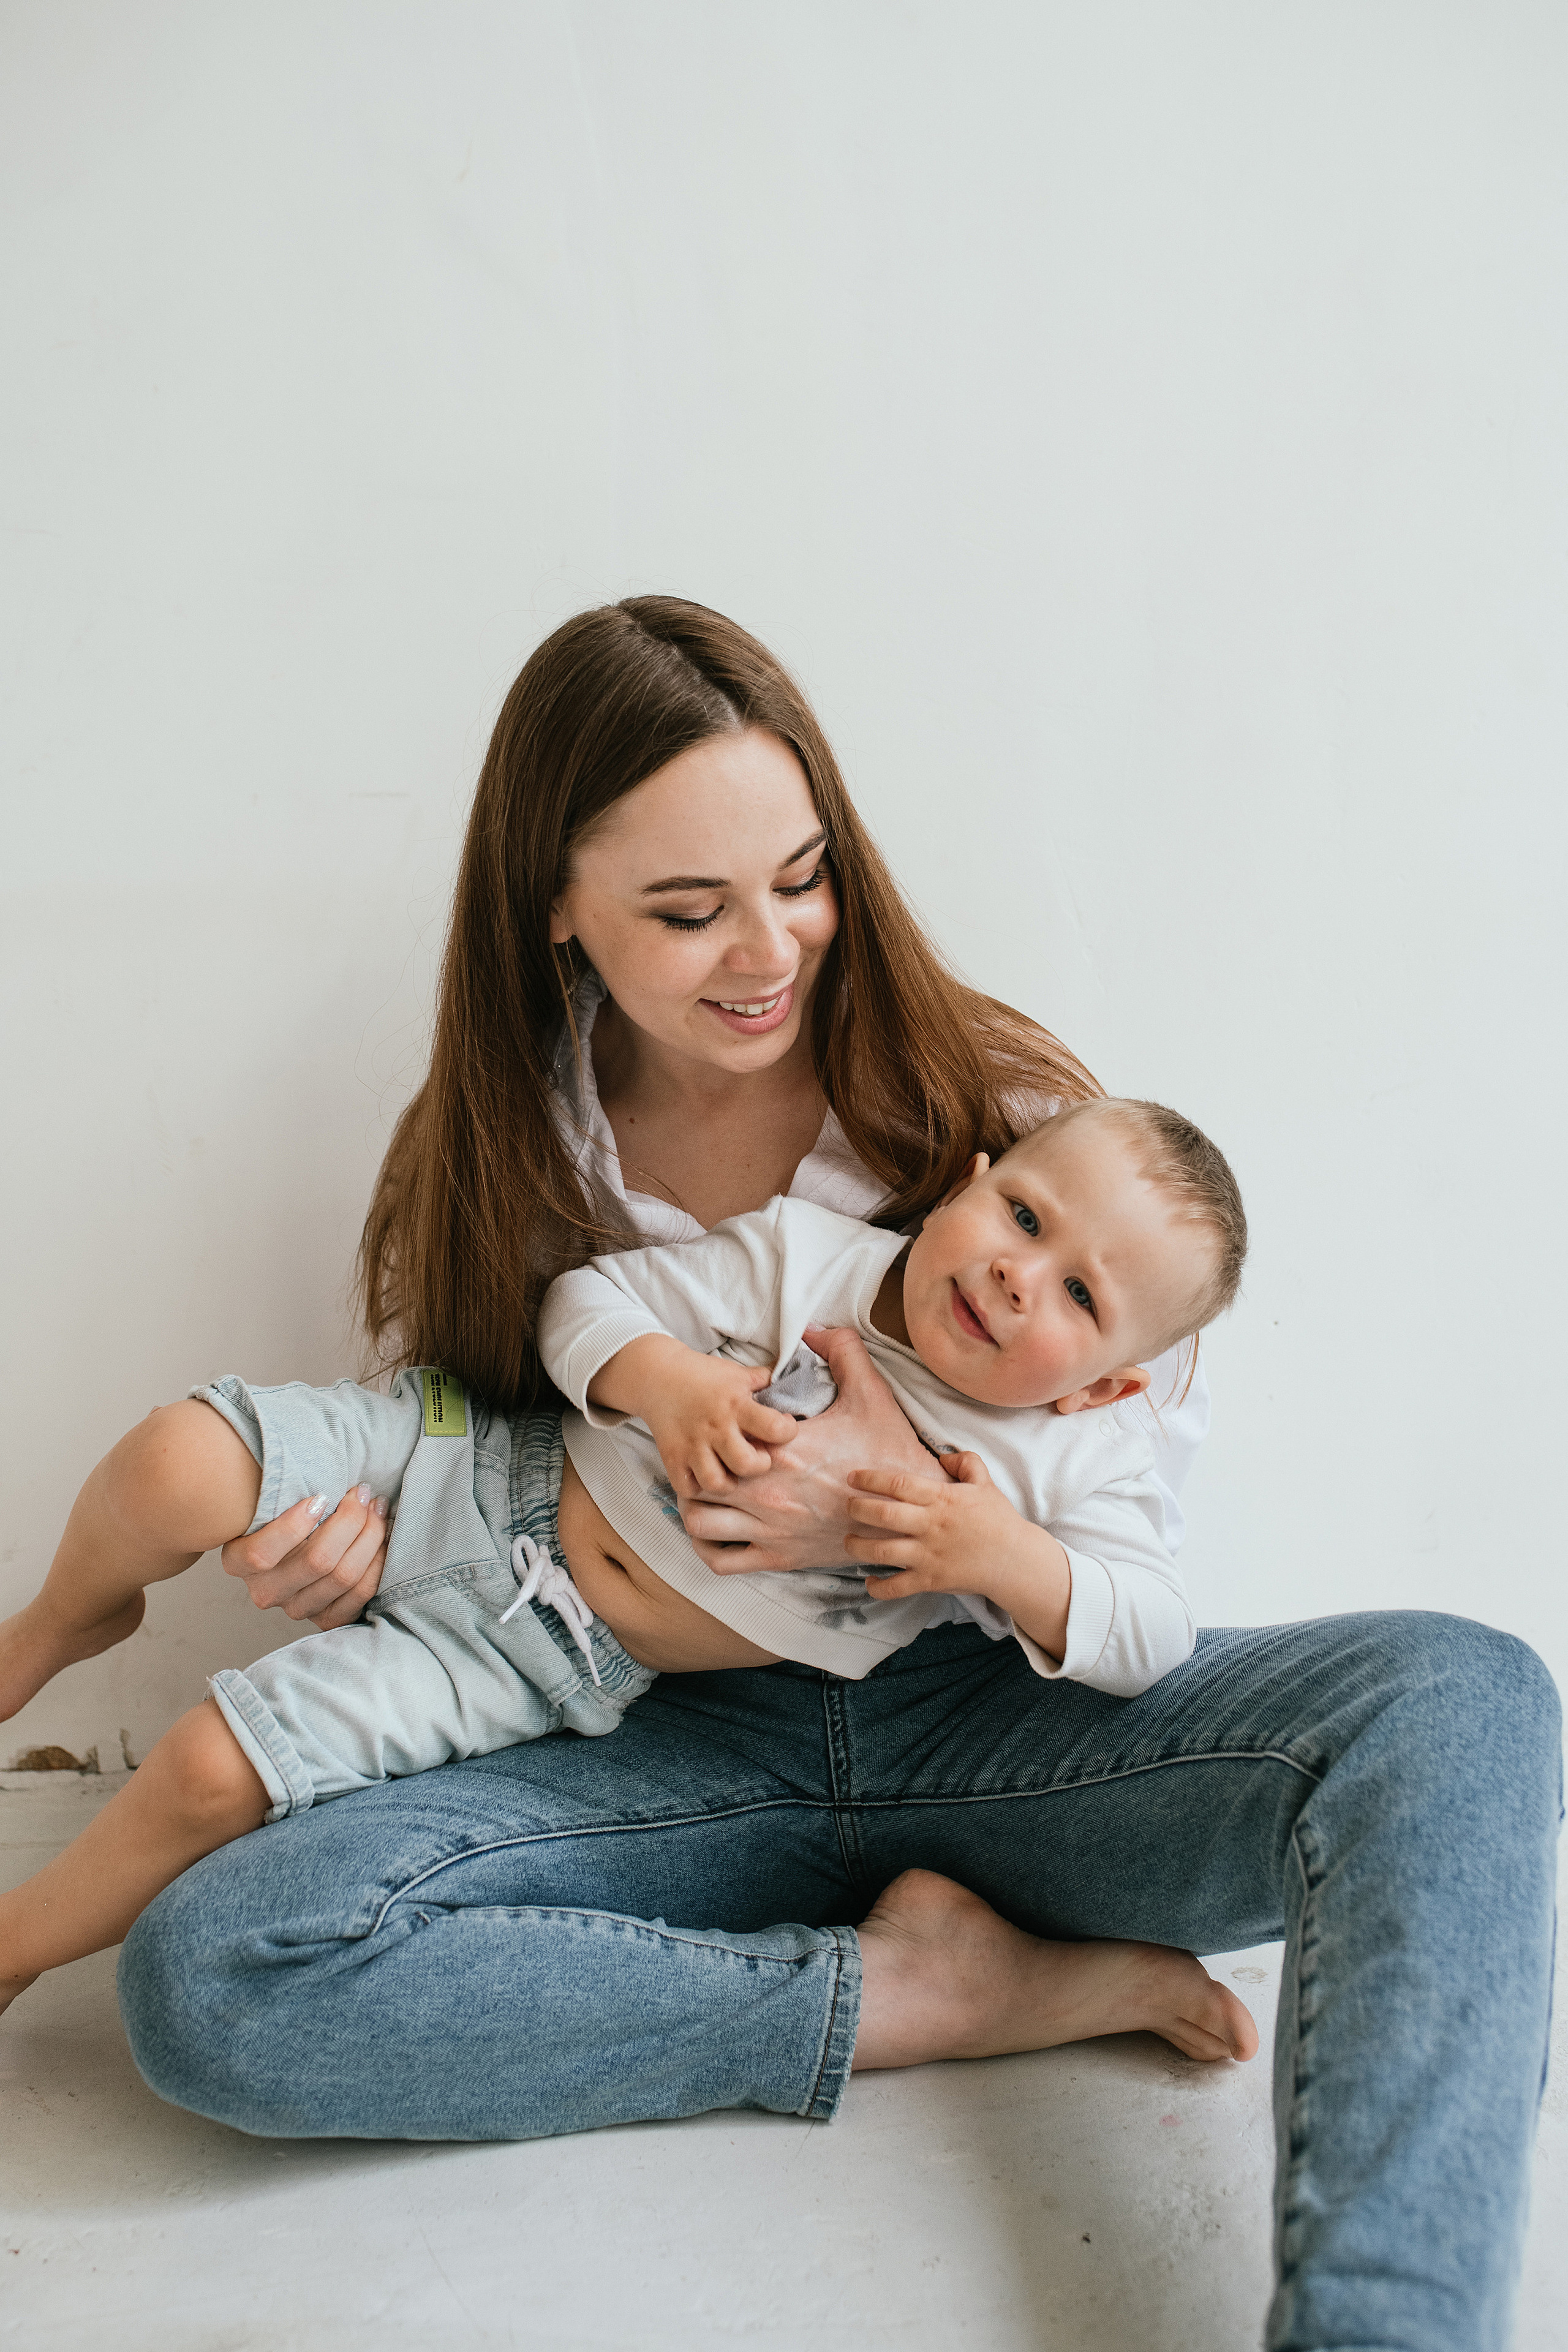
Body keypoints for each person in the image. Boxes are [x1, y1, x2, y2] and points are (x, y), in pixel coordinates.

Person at [18, 598, 1558, 2352]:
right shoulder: (507, 1147)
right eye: (690, 909)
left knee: (1467, 1696)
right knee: (214, 1973)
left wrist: (928, 1524)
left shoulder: (1003, 1119)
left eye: (803, 879)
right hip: (631, 1724)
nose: (767, 951)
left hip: (982, 1724)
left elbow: (1127, 1513)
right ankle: (906, 1994)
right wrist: (344, 1548)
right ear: (557, 909)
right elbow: (480, 1435)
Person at [0, 1099, 1251, 2008]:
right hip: (471, 1460)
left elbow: (1153, 1635)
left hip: (528, 1659)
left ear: (1107, 1388)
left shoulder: (1063, 1466)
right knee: (178, 1460)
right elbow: (584, 1304)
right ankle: (59, 1623)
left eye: (1080, 1296)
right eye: (1021, 1215)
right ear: (969, 1183)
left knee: (214, 1770)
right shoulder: (805, 1257)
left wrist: (998, 1555)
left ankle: (13, 1948)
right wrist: (666, 1383)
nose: (1019, 1275)